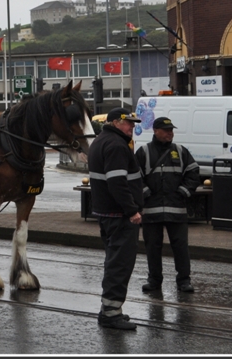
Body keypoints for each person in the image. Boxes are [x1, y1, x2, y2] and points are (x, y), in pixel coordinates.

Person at [88, 107, 144, 331]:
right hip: (120, 216)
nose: (132, 127)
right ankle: (111, 314)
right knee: (120, 265)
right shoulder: (117, 145)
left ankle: (110, 309)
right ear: (113, 122)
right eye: (128, 123)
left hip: (107, 214)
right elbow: (117, 183)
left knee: (114, 262)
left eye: (134, 123)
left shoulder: (101, 142)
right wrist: (132, 210)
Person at [136, 116, 200, 294]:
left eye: (171, 130)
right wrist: (146, 193)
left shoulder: (180, 151)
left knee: (180, 247)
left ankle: (184, 281)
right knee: (153, 248)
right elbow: (134, 177)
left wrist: (183, 192)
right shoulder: (144, 152)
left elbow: (193, 173)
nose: (170, 133)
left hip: (176, 209)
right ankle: (154, 281)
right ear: (156, 131)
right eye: (166, 130)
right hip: (152, 210)